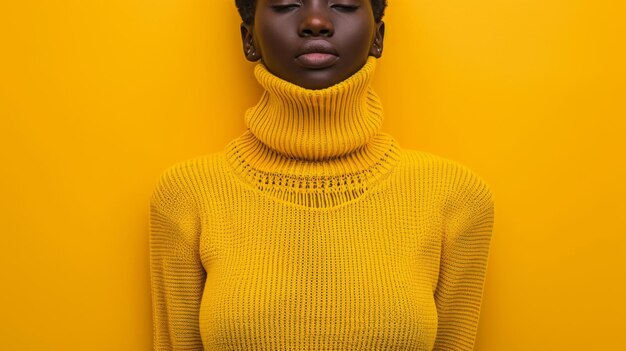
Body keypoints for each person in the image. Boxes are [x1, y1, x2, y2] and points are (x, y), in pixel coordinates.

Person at [149, 0, 495, 350]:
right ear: (248, 39)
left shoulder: (456, 199)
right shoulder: (187, 195)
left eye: (343, 3)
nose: (316, 22)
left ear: (379, 37)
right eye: (286, 3)